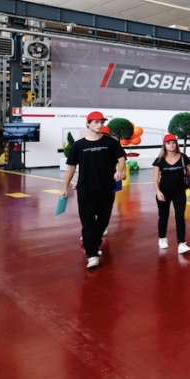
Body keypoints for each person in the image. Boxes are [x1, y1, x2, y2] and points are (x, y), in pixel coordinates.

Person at [60, 111, 126, 270]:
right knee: (88, 222)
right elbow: (71, 167)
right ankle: (92, 255)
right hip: (85, 189)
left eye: (101, 122)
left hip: (106, 188)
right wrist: (64, 187)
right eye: (95, 122)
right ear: (88, 124)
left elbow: (121, 158)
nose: (99, 125)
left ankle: (93, 245)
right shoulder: (78, 145)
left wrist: (120, 170)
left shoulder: (111, 142)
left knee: (103, 221)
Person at [153, 133, 190, 254]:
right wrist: (158, 192)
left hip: (179, 192)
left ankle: (181, 243)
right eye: (168, 143)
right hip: (164, 192)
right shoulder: (159, 160)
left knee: (180, 216)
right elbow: (155, 179)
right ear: (164, 145)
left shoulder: (182, 157)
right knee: (163, 216)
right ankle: (162, 238)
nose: (171, 145)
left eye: (174, 143)